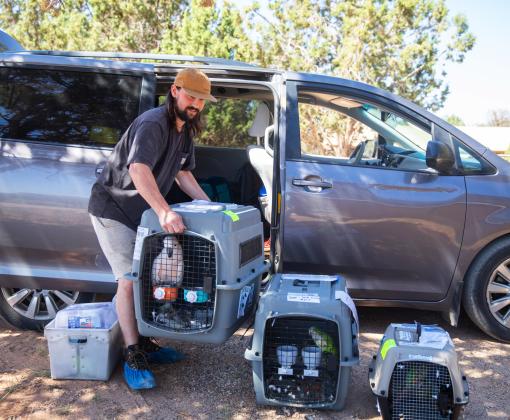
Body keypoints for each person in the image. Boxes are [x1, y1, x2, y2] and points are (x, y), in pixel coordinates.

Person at [88, 68, 215, 390]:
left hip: (141, 214)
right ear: (174, 91)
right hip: (113, 209)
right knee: (129, 281)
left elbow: (183, 174)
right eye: (191, 96)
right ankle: (133, 354)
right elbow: (138, 168)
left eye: (201, 100)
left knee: (146, 279)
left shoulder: (184, 130)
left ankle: (144, 343)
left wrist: (212, 206)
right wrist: (163, 210)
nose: (195, 104)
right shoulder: (153, 123)